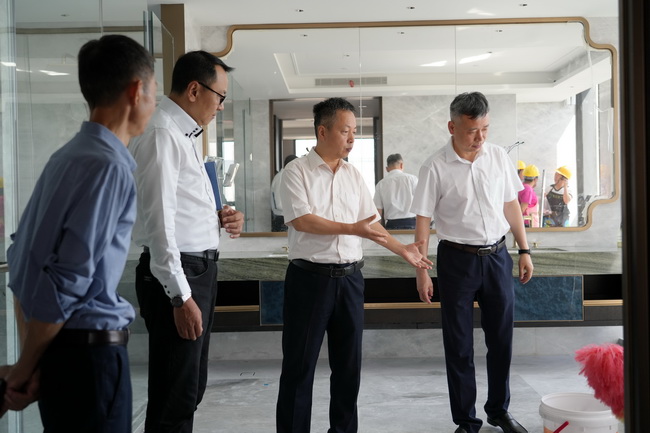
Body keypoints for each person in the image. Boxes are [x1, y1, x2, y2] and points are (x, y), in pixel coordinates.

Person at [0, 35, 156, 431]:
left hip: (60, 356)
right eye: (153, 92)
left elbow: (21, 261)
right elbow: (68, 279)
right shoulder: (109, 167)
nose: (153, 104)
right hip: (91, 363)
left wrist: (31, 360)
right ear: (136, 91)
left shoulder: (66, 157)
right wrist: (24, 367)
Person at [276, 97, 432, 433]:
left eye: (355, 131)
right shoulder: (296, 172)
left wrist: (402, 250)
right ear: (322, 131)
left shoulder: (353, 175)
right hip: (309, 280)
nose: (352, 139)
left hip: (350, 280)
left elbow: (371, 225)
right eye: (345, 131)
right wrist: (352, 229)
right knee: (299, 368)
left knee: (348, 369)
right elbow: (303, 220)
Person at [129, 50, 244, 433]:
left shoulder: (183, 134)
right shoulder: (162, 133)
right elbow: (158, 223)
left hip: (196, 269)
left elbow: (179, 210)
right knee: (174, 396)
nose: (221, 107)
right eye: (220, 96)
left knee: (188, 389)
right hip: (179, 274)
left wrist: (219, 217)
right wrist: (180, 296)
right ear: (194, 90)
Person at [410, 92, 533, 433]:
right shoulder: (434, 166)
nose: (480, 137)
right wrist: (421, 271)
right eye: (471, 131)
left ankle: (499, 410)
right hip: (456, 261)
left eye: (485, 129)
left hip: (497, 258)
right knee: (459, 344)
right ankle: (466, 420)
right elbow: (422, 222)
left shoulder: (498, 157)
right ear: (452, 127)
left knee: (502, 340)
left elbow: (511, 205)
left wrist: (524, 250)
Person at [373, 153, 419, 229]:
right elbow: (421, 202)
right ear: (401, 165)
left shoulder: (381, 184)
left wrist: (377, 230)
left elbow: (378, 211)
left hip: (392, 224)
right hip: (412, 223)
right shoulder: (412, 179)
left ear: (387, 169)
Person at [271, 154, 298, 231]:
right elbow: (279, 203)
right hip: (282, 218)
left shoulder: (284, 175)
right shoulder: (281, 177)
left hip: (285, 217)